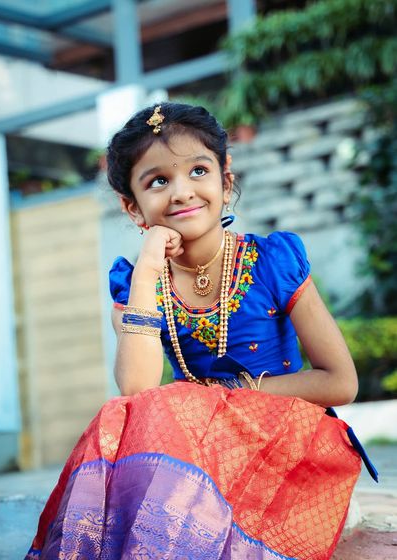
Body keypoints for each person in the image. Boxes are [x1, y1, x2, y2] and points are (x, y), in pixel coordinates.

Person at [26, 102, 366, 560]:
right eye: (158, 181)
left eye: (198, 171)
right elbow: (136, 387)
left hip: (289, 441)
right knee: (124, 415)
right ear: (133, 208)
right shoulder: (135, 283)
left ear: (225, 182)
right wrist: (149, 267)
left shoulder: (273, 260)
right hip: (201, 452)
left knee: (173, 405)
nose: (182, 192)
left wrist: (225, 398)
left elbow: (340, 382)